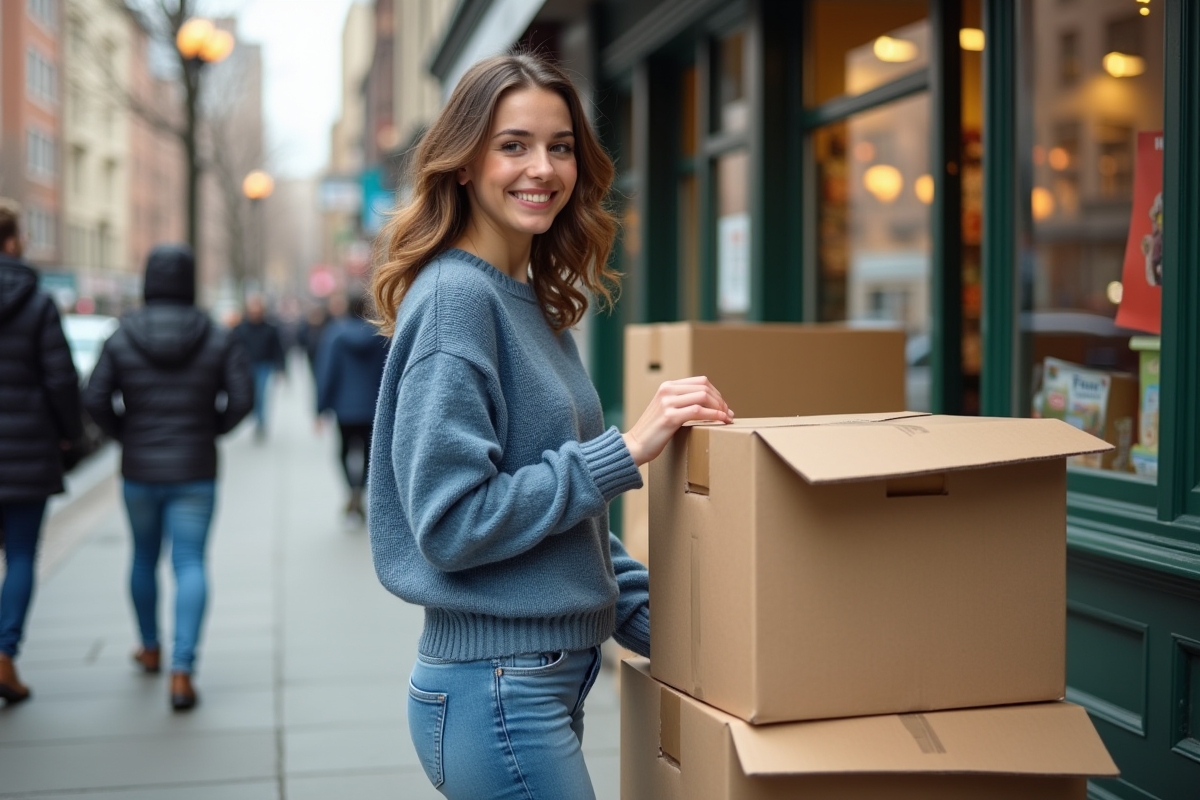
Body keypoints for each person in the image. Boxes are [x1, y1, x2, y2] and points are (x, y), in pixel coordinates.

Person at [367, 54, 732, 799]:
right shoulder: (457, 302)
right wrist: (624, 451)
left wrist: (694, 637)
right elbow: (452, 522)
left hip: (533, 685)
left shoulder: (526, 299)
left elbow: (573, 528)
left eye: (560, 146)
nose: (542, 168)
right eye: (514, 145)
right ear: (464, 163)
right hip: (497, 690)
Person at [82, 244, 253, 711]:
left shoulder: (121, 334)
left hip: (139, 470)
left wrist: (126, 434)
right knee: (190, 562)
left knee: (143, 558)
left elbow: (94, 398)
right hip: (196, 468)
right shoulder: (215, 334)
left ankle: (149, 647)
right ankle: (182, 671)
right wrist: (211, 430)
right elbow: (242, 399)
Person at [0, 198, 83, 705]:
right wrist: (70, 435)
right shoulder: (36, 301)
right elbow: (61, 379)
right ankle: (5, 654)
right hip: (27, 450)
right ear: (12, 241)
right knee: (21, 554)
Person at [314, 291, 386, 526]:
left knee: (343, 451)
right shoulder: (380, 334)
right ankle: (359, 490)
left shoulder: (335, 334)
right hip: (372, 406)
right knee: (368, 453)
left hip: (343, 407)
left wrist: (320, 407)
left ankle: (351, 490)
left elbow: (327, 372)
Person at [233, 294, 284, 439]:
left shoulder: (270, 329)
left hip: (264, 365)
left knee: (261, 394)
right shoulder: (240, 329)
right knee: (249, 395)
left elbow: (277, 349)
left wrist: (280, 368)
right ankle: (255, 417)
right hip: (246, 366)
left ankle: (260, 422)